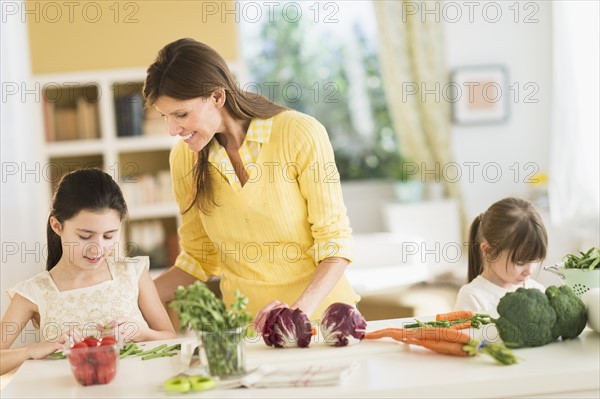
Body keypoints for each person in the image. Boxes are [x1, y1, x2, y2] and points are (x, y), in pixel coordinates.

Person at [143, 38, 360, 331]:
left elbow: (334, 243)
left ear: (217, 97)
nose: (172, 130)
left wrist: (296, 314)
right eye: (164, 116)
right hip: (248, 332)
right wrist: (125, 299)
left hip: (324, 323)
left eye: (181, 114)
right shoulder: (185, 159)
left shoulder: (299, 134)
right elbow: (199, 259)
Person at [0, 168, 176, 375]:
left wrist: (144, 333)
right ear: (57, 226)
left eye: (109, 236)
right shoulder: (33, 292)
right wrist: (29, 351)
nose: (97, 248)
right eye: (85, 236)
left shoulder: (133, 273)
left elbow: (171, 337)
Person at [454, 197, 548, 317]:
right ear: (489, 251)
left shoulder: (537, 290)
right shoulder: (473, 297)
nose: (529, 271)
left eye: (535, 260)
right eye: (520, 262)